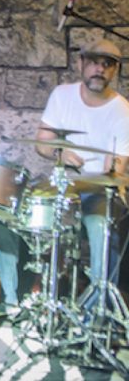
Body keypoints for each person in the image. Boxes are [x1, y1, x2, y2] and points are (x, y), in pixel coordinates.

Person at [35, 38, 129, 301]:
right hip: (63, 186)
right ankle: (15, 298)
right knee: (10, 212)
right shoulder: (62, 95)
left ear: (115, 70)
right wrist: (60, 153)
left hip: (98, 192)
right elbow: (42, 141)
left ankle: (97, 310)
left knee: (101, 226)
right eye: (94, 62)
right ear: (80, 64)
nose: (100, 69)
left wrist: (105, 174)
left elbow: (115, 170)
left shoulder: (122, 111)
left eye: (108, 64)